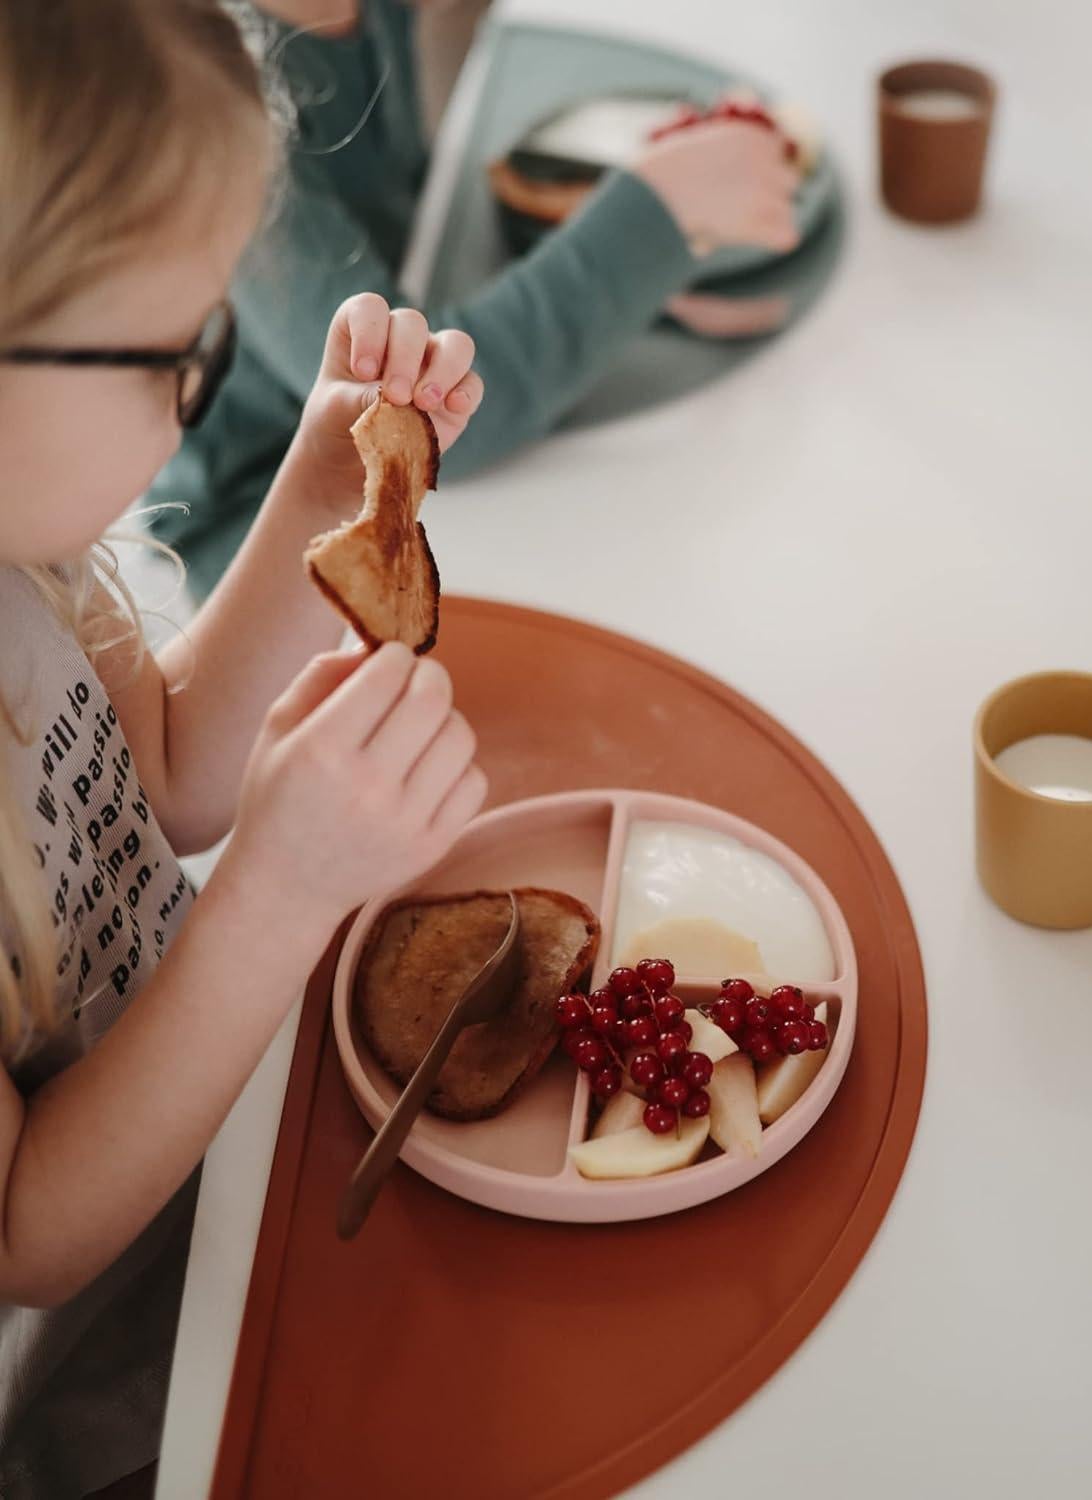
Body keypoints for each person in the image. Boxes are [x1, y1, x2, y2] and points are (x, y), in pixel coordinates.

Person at [0, 4, 490, 1493]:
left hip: (222, 1159)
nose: (204, 384)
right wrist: (279, 897)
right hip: (88, 1374)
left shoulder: (33, 561)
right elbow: (33, 1235)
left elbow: (170, 772)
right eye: (177, 350)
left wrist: (325, 482)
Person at [148, 0, 802, 597]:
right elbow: (403, 414)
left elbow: (406, 236)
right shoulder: (208, 101)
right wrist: (650, 221)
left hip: (394, 431)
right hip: (254, 523)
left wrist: (645, 273)